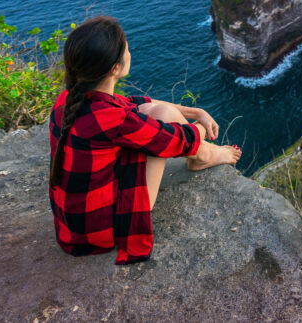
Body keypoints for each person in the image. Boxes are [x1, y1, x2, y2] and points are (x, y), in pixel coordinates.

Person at [48, 15, 241, 264]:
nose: (130, 50)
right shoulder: (113, 120)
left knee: (158, 115)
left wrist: (196, 112)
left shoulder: (68, 99)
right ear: (115, 68)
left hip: (73, 226)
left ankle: (203, 155)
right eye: (127, 48)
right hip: (103, 230)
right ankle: (205, 156)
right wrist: (201, 127)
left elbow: (134, 104)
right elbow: (177, 140)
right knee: (164, 125)